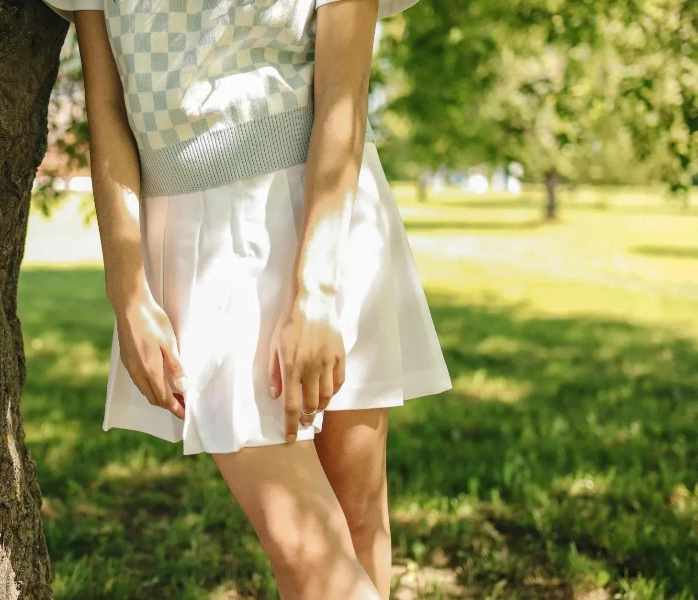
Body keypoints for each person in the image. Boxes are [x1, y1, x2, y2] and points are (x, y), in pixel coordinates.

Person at [42, 1, 452, 598]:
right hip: (198, 243)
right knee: (306, 551)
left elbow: (345, 99)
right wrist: (128, 291)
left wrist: (316, 292)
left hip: (331, 233)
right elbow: (108, 114)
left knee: (356, 517)